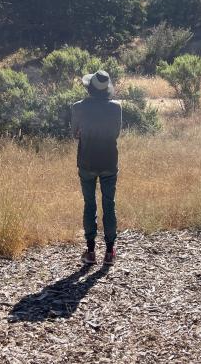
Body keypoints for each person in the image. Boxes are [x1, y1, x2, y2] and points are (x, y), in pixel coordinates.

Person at [71, 70, 122, 266]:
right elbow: (116, 133)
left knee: (89, 204)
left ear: (90, 88)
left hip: (87, 161)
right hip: (109, 161)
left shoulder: (78, 107)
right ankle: (110, 251)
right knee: (109, 204)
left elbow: (75, 134)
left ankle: (91, 251)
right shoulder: (116, 108)